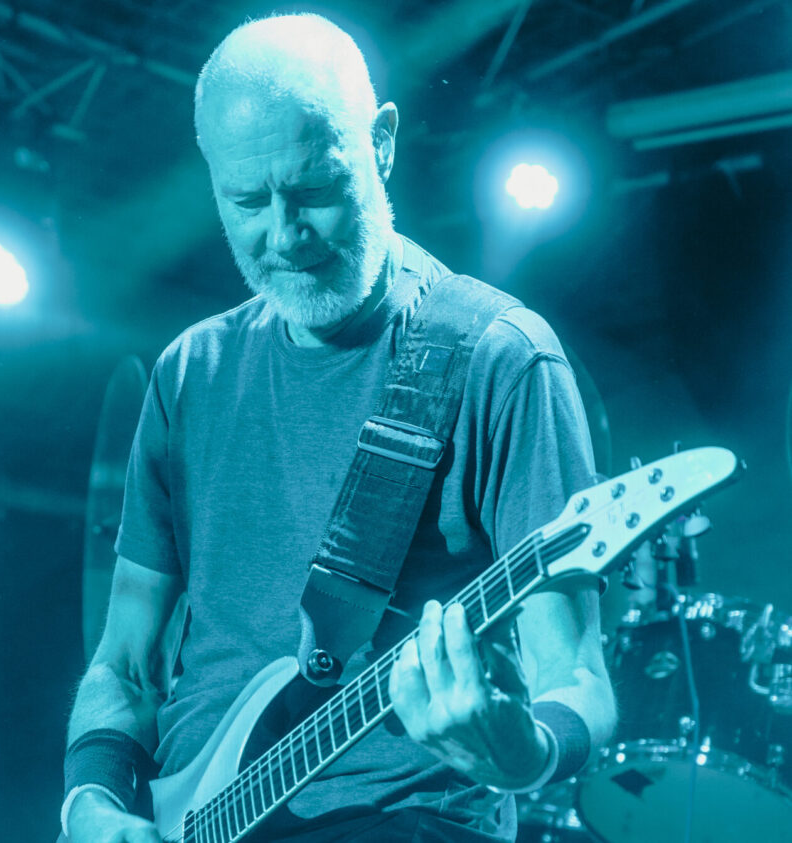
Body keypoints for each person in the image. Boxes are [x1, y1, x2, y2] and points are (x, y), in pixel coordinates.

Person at [60, 13, 616, 843]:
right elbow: (126, 661)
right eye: (247, 200)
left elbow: (577, 676)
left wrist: (524, 752)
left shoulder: (498, 357)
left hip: (407, 818)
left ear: (381, 142)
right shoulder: (190, 372)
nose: (284, 234)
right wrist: (92, 805)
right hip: (190, 819)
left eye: (314, 186)